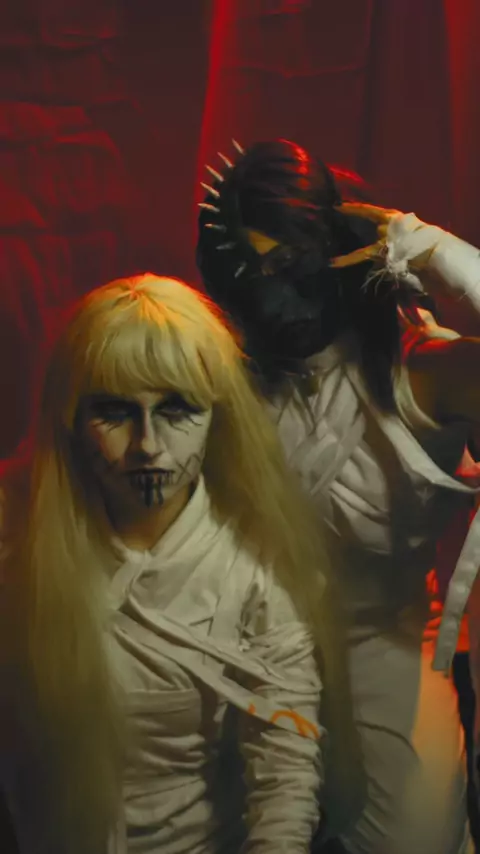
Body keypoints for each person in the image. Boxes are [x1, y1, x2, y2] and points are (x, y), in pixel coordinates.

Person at [196, 139, 480, 854]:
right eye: (249, 273)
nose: (274, 295)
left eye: (287, 264)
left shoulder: (420, 370)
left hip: (384, 647)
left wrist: (446, 257)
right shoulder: (225, 377)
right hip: (241, 647)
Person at [0, 273, 341, 854]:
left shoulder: (255, 573)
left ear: (216, 416)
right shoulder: (18, 539)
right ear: (71, 420)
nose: (148, 446)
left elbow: (284, 771)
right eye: (115, 412)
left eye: (177, 409)